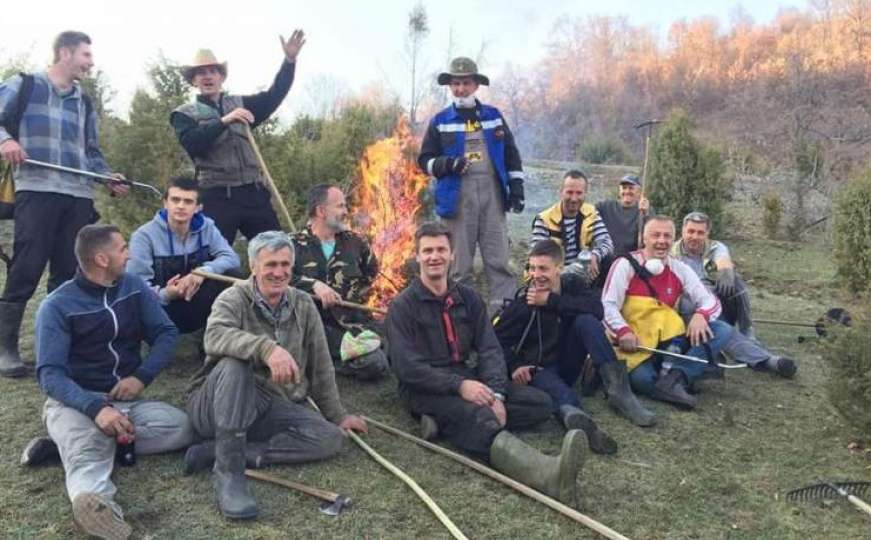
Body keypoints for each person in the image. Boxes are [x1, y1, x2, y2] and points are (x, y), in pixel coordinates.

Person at [387, 222, 585, 505]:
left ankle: (441, 423)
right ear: (417, 256)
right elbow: (406, 368)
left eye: (441, 249)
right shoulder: (402, 306)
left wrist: (497, 393)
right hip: (425, 386)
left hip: (467, 375)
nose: (434, 256)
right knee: (477, 417)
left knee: (539, 403)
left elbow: (490, 348)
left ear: (452, 254)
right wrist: (460, 386)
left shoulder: (468, 298)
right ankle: (548, 476)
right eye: (427, 250)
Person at [27, 224, 194, 539]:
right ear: (102, 259)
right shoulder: (56, 306)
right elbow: (50, 375)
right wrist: (95, 408)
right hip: (76, 403)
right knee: (89, 457)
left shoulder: (132, 286)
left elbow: (166, 333)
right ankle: (101, 512)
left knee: (182, 428)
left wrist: (141, 377)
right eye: (122, 248)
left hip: (127, 402)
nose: (128, 253)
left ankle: (66, 446)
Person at [185, 230, 367, 520]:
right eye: (271, 265)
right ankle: (228, 473)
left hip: (269, 404)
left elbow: (321, 364)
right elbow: (215, 337)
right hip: (215, 404)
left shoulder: (303, 304)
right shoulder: (231, 298)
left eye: (285, 264)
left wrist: (337, 415)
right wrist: (266, 349)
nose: (279, 272)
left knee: (328, 438)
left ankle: (224, 451)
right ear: (253, 267)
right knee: (235, 363)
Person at [0, 31, 128, 378]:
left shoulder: (85, 102)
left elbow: (92, 153)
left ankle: (53, 347)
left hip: (78, 196)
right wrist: (7, 139)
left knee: (67, 273)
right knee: (26, 268)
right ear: (65, 53)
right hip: (36, 189)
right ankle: (6, 347)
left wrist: (107, 177)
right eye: (86, 55)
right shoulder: (25, 84)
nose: (91, 62)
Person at [493, 239, 656, 442]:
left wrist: (551, 301)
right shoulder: (523, 304)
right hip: (538, 369)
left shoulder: (573, 285)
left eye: (543, 269)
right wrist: (515, 365)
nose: (536, 275)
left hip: (569, 362)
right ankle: (581, 425)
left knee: (586, 321)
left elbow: (598, 310)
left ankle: (620, 392)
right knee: (562, 393)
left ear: (559, 268)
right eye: (532, 268)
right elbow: (494, 340)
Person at [170, 30, 306, 244]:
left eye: (213, 71)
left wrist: (289, 61)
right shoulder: (183, 114)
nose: (207, 76)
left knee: (277, 250)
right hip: (216, 196)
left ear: (221, 77)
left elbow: (274, 95)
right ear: (194, 80)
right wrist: (225, 121)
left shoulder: (242, 104)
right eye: (201, 72)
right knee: (212, 263)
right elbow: (193, 144)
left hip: (253, 193)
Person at [418, 57, 525, 311]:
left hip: (492, 196)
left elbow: (511, 153)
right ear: (450, 86)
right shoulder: (440, 120)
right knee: (458, 265)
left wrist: (517, 189)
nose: (460, 89)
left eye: (465, 83)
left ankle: (504, 318)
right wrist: (447, 165)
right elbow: (424, 160)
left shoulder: (493, 116)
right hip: (456, 199)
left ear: (476, 85)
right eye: (455, 84)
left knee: (498, 260)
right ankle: (460, 320)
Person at [602, 216, 733, 409]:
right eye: (655, 235)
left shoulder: (680, 268)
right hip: (634, 343)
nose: (662, 240)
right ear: (643, 238)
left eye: (667, 236)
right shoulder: (625, 264)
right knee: (643, 379)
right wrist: (623, 331)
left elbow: (711, 301)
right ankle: (683, 375)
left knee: (722, 329)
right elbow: (608, 305)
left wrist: (701, 315)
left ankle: (676, 379)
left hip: (669, 339)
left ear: (673, 240)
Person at [672, 211, 796, 378]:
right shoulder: (673, 254)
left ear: (707, 233)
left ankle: (747, 329)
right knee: (721, 329)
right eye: (691, 231)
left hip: (717, 301)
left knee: (734, 280)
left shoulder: (715, 247)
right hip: (692, 310)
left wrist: (725, 271)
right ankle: (766, 361)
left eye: (700, 232)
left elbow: (723, 261)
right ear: (683, 231)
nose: (694, 236)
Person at [291, 184, 388, 381]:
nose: (346, 212)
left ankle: (319, 361)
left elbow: (370, 274)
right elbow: (277, 280)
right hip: (310, 326)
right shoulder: (292, 245)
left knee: (381, 359)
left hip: (350, 325)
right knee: (375, 363)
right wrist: (313, 285)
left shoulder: (356, 242)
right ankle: (320, 358)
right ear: (321, 211)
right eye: (340, 206)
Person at [127, 176, 240, 335]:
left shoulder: (207, 227)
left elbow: (231, 258)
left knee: (232, 276)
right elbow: (135, 287)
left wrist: (203, 271)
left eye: (188, 201)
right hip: (160, 307)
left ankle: (214, 338)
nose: (180, 206)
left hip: (195, 300)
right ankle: (153, 347)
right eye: (175, 200)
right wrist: (167, 294)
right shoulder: (144, 236)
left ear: (198, 207)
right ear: (165, 203)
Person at [531, 170, 613, 283]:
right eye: (569, 192)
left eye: (579, 193)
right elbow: (537, 260)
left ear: (585, 193)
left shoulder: (591, 213)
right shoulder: (544, 220)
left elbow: (607, 243)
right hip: (555, 279)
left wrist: (595, 255)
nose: (574, 199)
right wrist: (566, 271)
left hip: (585, 275)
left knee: (609, 260)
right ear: (561, 192)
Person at [595, 174, 651, 257]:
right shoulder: (606, 206)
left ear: (639, 192)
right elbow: (588, 213)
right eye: (624, 188)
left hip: (630, 261)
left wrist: (647, 214)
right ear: (619, 191)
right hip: (606, 258)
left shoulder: (643, 211)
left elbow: (651, 235)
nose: (627, 191)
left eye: (631, 188)